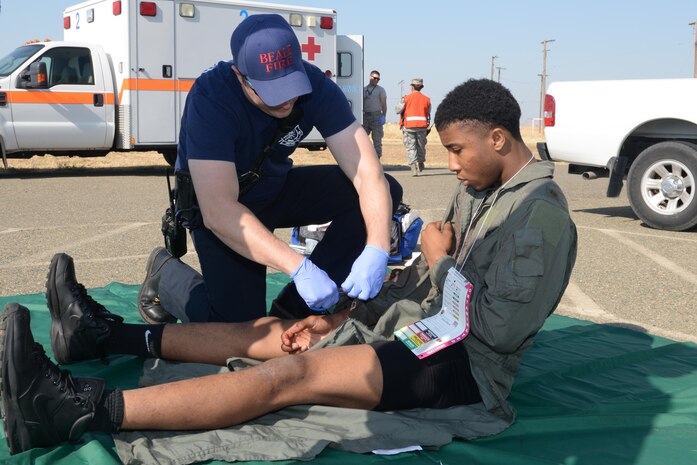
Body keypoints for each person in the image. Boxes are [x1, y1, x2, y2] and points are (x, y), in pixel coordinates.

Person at [0, 79, 577, 456]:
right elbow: (421, 287)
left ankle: (76, 409)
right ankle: (104, 335)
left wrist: (442, 260)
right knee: (275, 334)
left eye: (456, 150)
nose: (448, 163)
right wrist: (340, 317)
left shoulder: (539, 217)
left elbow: (496, 329)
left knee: (287, 379)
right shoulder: (481, 189)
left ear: (498, 139)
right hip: (420, 332)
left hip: (465, 369)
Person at [138, 14, 403, 325]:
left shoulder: (316, 85)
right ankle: (164, 274)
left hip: (272, 188)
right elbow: (219, 209)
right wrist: (298, 267)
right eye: (270, 90)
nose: (286, 100)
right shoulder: (211, 97)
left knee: (386, 188)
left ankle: (295, 306)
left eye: (291, 85)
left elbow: (367, 173)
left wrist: (377, 247)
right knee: (239, 329)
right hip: (221, 209)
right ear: (240, 76)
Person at [397, 78, 431, 176]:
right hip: (422, 127)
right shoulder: (427, 99)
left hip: (409, 127)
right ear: (421, 87)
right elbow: (428, 112)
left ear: (412, 87)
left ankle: (413, 168)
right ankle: (421, 162)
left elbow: (398, 110)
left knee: (410, 147)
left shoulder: (406, 98)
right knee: (421, 146)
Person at [362, 70, 387, 158]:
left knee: (377, 140)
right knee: (362, 139)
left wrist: (383, 116)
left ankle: (377, 160)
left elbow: (384, 103)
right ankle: (365, 158)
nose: (376, 80)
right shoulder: (364, 89)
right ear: (370, 77)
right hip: (365, 116)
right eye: (375, 78)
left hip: (376, 116)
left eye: (378, 79)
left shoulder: (381, 90)